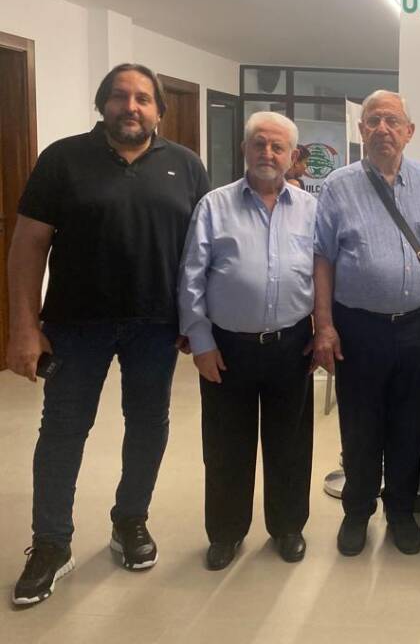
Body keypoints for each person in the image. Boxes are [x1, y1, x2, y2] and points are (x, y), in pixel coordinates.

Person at [8, 64, 209, 606]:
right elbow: (28, 244)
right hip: (76, 326)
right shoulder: (62, 159)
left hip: (156, 326)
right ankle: (51, 543)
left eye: (143, 98)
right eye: (120, 96)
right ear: (103, 104)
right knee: (62, 431)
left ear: (159, 110)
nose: (131, 106)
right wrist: (24, 326)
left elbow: (202, 252)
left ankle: (130, 520)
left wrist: (197, 319)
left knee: (147, 425)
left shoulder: (187, 166)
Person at [178, 111, 317, 571]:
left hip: (291, 344)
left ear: (292, 156)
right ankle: (225, 532)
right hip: (227, 347)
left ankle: (288, 527)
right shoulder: (214, 206)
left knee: (290, 443)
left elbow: (322, 273)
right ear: (244, 149)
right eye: (259, 144)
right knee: (226, 445)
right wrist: (201, 341)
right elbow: (191, 276)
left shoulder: (311, 210)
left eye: (278, 147)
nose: (267, 154)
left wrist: (323, 329)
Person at [312, 90, 420, 557]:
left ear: (409, 132)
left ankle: (402, 511)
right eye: (373, 120)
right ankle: (356, 511)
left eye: (392, 121)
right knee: (360, 425)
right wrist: (324, 325)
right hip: (359, 328)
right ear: (361, 129)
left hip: (418, 327)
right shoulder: (338, 186)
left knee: (410, 424)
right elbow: (323, 259)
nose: (383, 129)